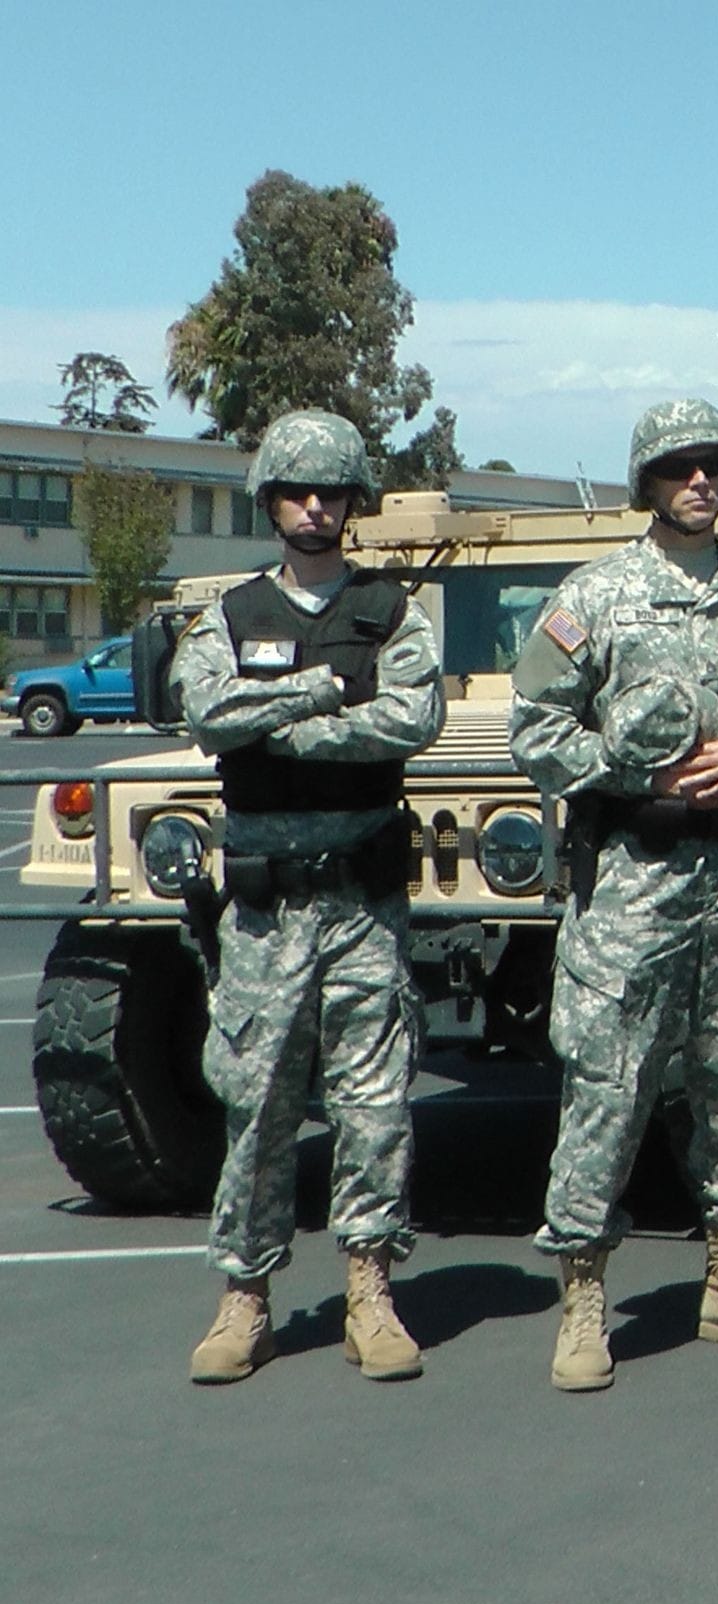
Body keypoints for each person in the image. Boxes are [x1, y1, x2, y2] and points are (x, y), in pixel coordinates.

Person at [510, 399, 718, 1392]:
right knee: (608, 1083)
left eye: (715, 467)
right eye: (680, 468)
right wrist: (629, 772)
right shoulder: (595, 597)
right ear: (648, 481)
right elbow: (536, 728)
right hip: (635, 883)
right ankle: (583, 1297)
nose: (701, 482)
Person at [178, 408, 445, 1385]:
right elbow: (206, 710)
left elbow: (411, 718)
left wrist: (281, 724)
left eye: (330, 490)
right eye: (296, 489)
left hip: (363, 908)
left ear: (352, 503)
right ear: (271, 500)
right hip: (263, 913)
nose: (314, 504)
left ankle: (370, 1288)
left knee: (375, 1104)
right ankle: (244, 1295)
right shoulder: (232, 614)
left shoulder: (389, 611)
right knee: (257, 1102)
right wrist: (325, 693)